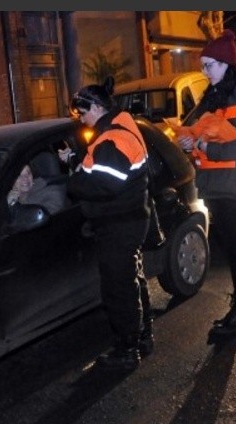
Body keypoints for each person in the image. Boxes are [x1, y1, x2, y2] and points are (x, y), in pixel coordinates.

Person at [175, 30, 236, 337]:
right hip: (215, 183)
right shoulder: (214, 94)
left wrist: (206, 147)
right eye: (203, 65)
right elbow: (202, 133)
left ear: (226, 64)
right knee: (232, 247)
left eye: (209, 65)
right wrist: (190, 142)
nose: (205, 71)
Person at [63, 75, 153, 371]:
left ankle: (127, 349)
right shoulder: (120, 127)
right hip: (129, 219)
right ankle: (142, 336)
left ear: (96, 107)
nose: (81, 119)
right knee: (132, 279)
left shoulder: (113, 139)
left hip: (118, 225)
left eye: (82, 112)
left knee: (118, 289)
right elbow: (102, 168)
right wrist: (75, 159)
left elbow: (104, 184)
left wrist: (72, 182)